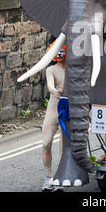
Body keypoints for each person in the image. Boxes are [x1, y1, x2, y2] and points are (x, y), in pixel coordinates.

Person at [42, 44, 66, 191]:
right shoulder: (51, 69)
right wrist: (54, 90)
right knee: (46, 143)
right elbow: (51, 86)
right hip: (53, 110)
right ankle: (48, 176)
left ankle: (59, 177)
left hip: (67, 110)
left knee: (64, 148)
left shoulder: (73, 69)